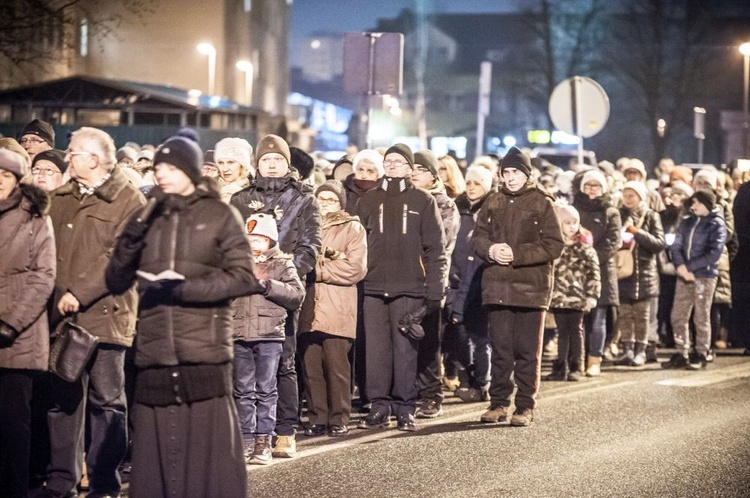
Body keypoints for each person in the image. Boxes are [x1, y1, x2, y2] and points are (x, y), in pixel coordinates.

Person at [105, 130, 262, 497]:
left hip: (203, 352)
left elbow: (243, 278)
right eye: (157, 167)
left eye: (169, 167)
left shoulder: (220, 214)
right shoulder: (148, 213)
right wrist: (133, 233)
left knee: (207, 462)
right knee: (157, 461)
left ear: (190, 171)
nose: (160, 174)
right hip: (156, 350)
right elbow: (115, 279)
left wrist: (183, 289)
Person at [43, 127, 145, 498]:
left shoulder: (128, 199)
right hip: (63, 316)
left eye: (73, 153)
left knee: (107, 401)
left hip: (107, 315)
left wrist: (78, 292)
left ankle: (104, 480)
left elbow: (120, 256)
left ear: (95, 158)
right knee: (63, 400)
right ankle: (61, 480)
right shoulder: (61, 197)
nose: (66, 158)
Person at [230, 134, 321, 458]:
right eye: (266, 159)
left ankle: (284, 431)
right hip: (243, 292)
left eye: (278, 159)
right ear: (257, 163)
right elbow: (227, 242)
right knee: (242, 370)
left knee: (283, 363)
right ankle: (247, 435)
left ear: (287, 163)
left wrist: (280, 273)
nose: (272, 164)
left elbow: (311, 244)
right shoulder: (240, 199)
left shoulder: (304, 198)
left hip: (282, 289)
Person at [357, 143, 448, 432]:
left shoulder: (423, 200)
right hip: (373, 288)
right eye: (389, 160)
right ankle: (379, 405)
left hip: (410, 288)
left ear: (410, 168)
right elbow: (359, 244)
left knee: (405, 352)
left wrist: (435, 290)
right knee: (376, 352)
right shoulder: (369, 200)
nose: (393, 165)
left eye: (399, 161)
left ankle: (406, 407)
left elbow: (436, 249)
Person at [471, 146, 563, 426]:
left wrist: (517, 254)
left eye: (516, 172)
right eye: (506, 172)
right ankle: (498, 404)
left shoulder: (542, 202)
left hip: (531, 289)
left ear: (527, 174)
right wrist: (490, 250)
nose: (510, 178)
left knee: (526, 351)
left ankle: (525, 406)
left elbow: (554, 245)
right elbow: (477, 239)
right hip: (498, 287)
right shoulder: (493, 201)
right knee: (501, 349)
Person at [0, 149, 56, 498]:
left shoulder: (33, 217)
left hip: (16, 339)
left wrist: (9, 323)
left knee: (12, 425)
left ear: (17, 180)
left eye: (3, 176)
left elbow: (43, 275)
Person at [233, 213, 305, 465]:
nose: (254, 244)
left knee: (266, 390)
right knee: (242, 391)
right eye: (249, 238)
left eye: (259, 239)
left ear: (271, 240)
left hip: (269, 336)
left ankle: (264, 439)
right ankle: (245, 439)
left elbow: (297, 295)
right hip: (239, 334)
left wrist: (267, 285)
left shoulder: (282, 264)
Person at [299, 180, 367, 437]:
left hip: (338, 306)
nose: (325, 203)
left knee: (337, 367)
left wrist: (316, 269)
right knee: (311, 366)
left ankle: (339, 417)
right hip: (309, 305)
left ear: (340, 203)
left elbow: (355, 268)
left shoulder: (352, 227)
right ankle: (318, 416)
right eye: (322, 198)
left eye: (331, 199)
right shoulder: (305, 224)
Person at [410, 149, 459, 419]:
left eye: (422, 170)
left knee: (429, 340)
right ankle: (409, 393)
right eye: (413, 169)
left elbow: (441, 245)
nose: (415, 174)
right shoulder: (402, 198)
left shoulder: (444, 204)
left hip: (430, 279)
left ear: (433, 176)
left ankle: (431, 394)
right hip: (402, 279)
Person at [663, 190, 727, 370]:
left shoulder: (717, 225)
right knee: (678, 315)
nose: (693, 206)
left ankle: (701, 352)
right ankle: (681, 351)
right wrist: (681, 267)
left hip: (705, 276)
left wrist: (689, 268)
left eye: (697, 202)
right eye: (692, 203)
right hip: (684, 275)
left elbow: (714, 253)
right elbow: (676, 246)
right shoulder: (687, 222)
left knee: (701, 316)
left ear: (707, 203)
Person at [447, 166, 494, 402]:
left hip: (481, 283)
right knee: (460, 335)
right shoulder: (458, 208)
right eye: (469, 182)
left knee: (481, 337)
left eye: (477, 183)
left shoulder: (492, 210)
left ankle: (482, 382)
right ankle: (466, 379)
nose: (472, 187)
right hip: (457, 282)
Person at [573, 168, 622, 376]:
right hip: (575, 270)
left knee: (599, 318)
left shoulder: (611, 212)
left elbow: (613, 242)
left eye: (596, 185)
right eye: (588, 185)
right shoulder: (575, 208)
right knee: (579, 318)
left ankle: (595, 358)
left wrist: (591, 258)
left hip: (602, 270)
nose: (592, 189)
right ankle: (578, 358)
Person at [545, 204, 600, 381]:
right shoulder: (555, 246)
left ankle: (576, 366)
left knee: (576, 331)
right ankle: (560, 367)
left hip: (577, 298)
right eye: (566, 222)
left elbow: (594, 273)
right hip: (558, 298)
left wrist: (592, 295)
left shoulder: (584, 248)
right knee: (562, 332)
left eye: (574, 222)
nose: (571, 226)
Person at [614, 181, 665, 366]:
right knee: (625, 314)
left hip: (645, 273)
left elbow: (659, 244)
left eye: (631, 195)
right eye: (625, 195)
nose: (627, 199)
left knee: (642, 315)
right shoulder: (618, 214)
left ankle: (641, 351)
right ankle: (626, 350)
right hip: (622, 272)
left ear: (640, 196)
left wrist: (637, 232)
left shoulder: (651, 216)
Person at [215, 137, 253, 203]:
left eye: (230, 162)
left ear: (242, 165)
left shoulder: (255, 192)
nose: (225, 169)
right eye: (221, 163)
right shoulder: (209, 190)